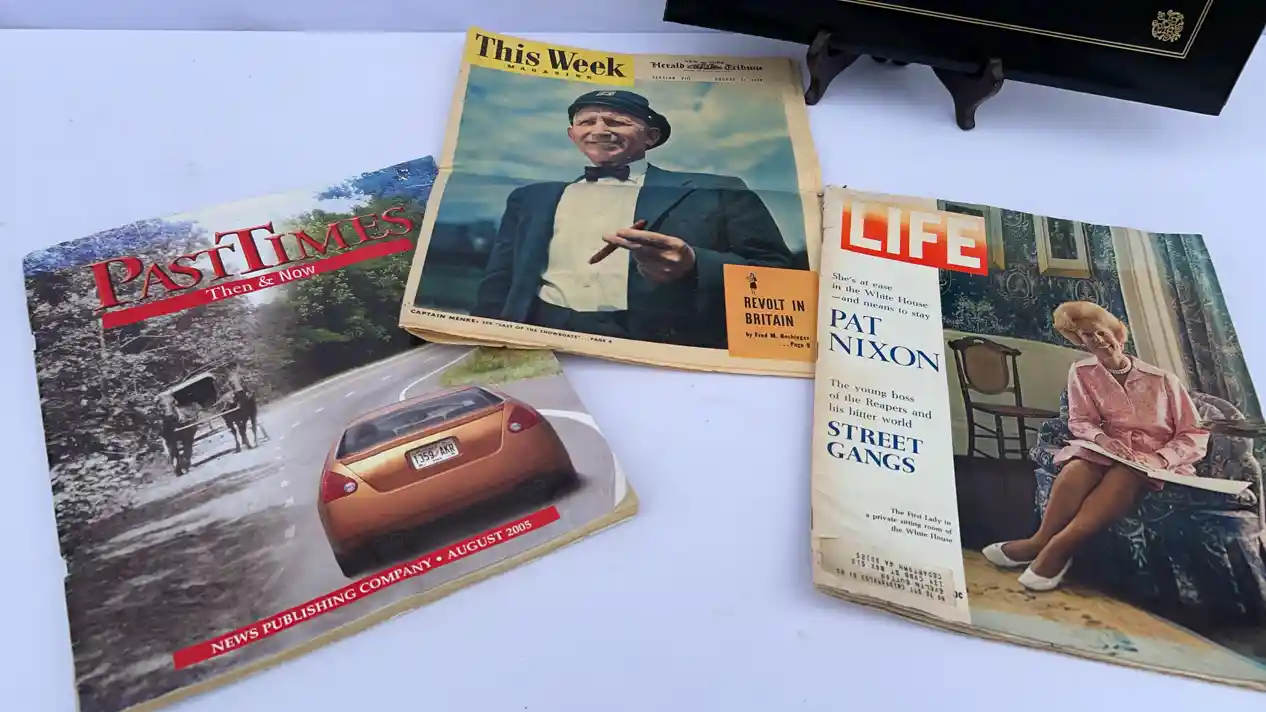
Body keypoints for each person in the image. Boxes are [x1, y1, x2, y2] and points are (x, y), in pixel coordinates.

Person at [470, 89, 795, 349]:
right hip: (540, 328)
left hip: (655, 341)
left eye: (616, 122)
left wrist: (693, 263)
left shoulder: (717, 190)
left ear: (650, 137)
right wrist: (480, 341)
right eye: (587, 122)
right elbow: (499, 280)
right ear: (572, 135)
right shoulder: (530, 198)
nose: (600, 130)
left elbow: (780, 277)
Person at [982, 300, 1209, 591]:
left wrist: (1159, 458)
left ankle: (1060, 548)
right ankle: (1038, 541)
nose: (1098, 340)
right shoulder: (1082, 372)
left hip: (1155, 462)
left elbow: (1194, 433)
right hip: (1107, 451)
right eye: (1088, 335)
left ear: (1118, 334)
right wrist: (1104, 440)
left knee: (1124, 475)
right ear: (1081, 341)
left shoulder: (1164, 380)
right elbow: (1080, 420)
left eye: (1102, 332)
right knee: (1078, 467)